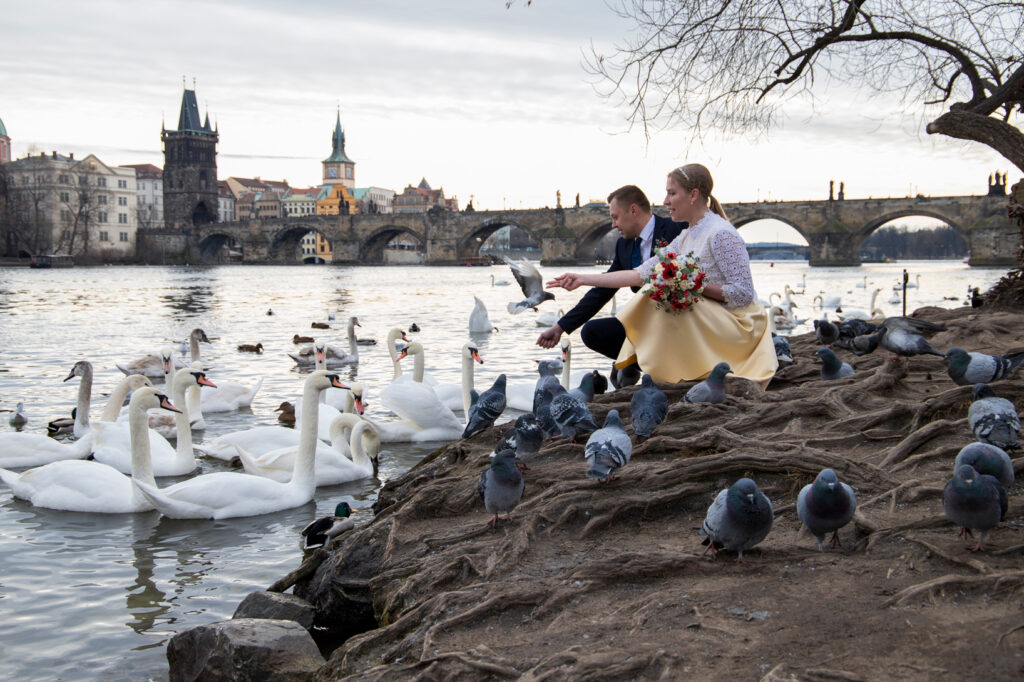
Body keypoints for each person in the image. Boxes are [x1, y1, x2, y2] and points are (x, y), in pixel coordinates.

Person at [546, 164, 777, 388]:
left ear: (693, 195)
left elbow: (744, 294)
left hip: (732, 326)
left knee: (659, 296)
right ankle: (655, 366)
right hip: (702, 322)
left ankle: (654, 366)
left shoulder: (721, 233)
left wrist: (694, 285)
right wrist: (583, 279)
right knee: (655, 290)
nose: (665, 201)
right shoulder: (687, 235)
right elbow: (640, 274)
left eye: (671, 193)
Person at [536, 185, 686, 386]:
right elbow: (602, 291)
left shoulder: (676, 229)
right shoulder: (624, 246)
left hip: (682, 320)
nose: (613, 225)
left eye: (615, 217)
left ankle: (668, 365)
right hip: (648, 322)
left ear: (633, 210)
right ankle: (645, 365)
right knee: (591, 332)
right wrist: (560, 327)